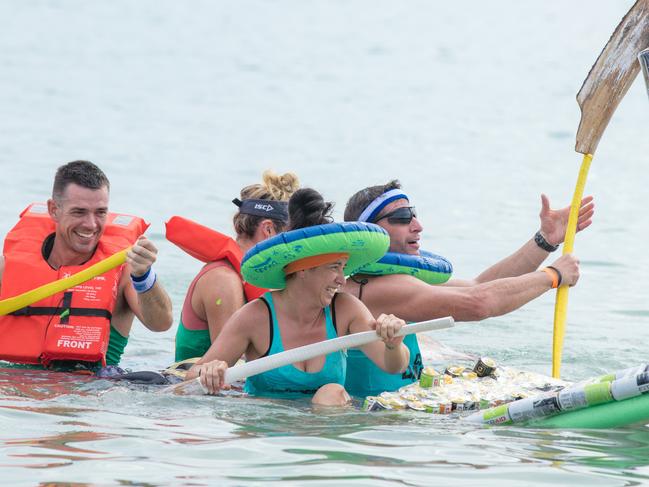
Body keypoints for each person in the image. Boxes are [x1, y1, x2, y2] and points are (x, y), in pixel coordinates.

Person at [342, 180, 594, 397]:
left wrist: (545, 240)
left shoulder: (385, 280)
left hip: (398, 405)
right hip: (379, 418)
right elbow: (479, 303)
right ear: (370, 234)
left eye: (415, 215)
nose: (418, 226)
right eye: (402, 218)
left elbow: (479, 286)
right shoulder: (376, 289)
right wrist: (554, 275)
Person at [185, 188, 409, 405]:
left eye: (343, 268)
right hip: (266, 431)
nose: (342, 280)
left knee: (331, 393)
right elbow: (193, 375)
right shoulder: (255, 316)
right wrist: (209, 371)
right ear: (302, 269)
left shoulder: (346, 309)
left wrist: (393, 344)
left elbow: (394, 366)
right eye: (334, 268)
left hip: (324, 423)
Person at [0, 160, 173, 370]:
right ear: (54, 210)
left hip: (91, 394)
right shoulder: (7, 268)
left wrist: (144, 275)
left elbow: (161, 323)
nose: (91, 224)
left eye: (100, 212)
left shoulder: (126, 271)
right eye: (79, 212)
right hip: (14, 394)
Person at [170, 171, 299, 362]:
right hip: (190, 387)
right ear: (269, 229)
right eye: (291, 235)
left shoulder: (255, 279)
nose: (295, 246)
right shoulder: (224, 281)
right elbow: (226, 369)